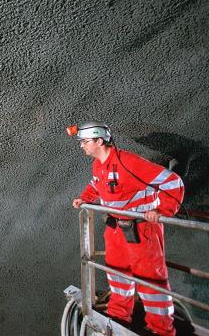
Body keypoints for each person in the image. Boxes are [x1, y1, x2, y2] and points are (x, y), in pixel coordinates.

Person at [69, 121, 184, 336]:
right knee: (116, 272)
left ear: (99, 141)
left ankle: (162, 330)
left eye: (84, 141)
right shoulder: (98, 164)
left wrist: (162, 211)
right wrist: (84, 199)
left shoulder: (128, 162)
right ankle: (119, 315)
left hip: (142, 230)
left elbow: (172, 182)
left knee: (150, 280)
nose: (81, 145)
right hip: (115, 229)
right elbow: (96, 184)